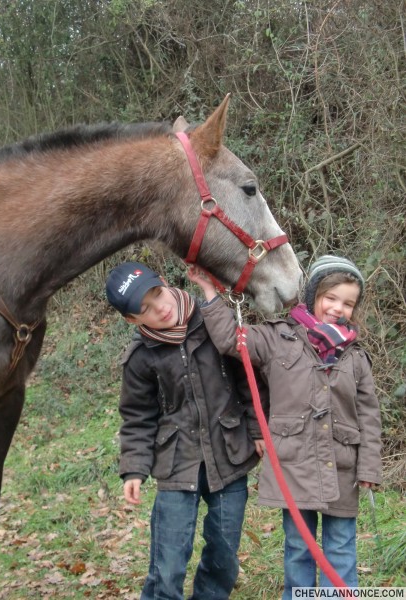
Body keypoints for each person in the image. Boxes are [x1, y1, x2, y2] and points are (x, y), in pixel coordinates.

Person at [188, 255, 383, 598]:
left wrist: (369, 466)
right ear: (312, 296)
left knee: (340, 548)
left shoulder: (356, 358)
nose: (338, 308)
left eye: (348, 303)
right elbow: (229, 340)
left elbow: (369, 416)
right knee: (298, 548)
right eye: (331, 298)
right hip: (293, 465)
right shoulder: (277, 338)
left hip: (341, 467)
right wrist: (209, 291)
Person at [104, 261, 266, 600]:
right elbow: (137, 416)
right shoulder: (140, 358)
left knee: (224, 555)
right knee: (168, 562)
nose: (159, 308)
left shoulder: (212, 323)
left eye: (157, 294)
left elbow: (248, 382)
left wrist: (257, 429)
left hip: (229, 455)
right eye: (144, 309)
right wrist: (134, 468)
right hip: (177, 463)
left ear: (164, 282)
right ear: (132, 320)